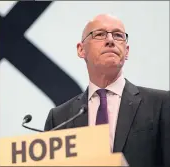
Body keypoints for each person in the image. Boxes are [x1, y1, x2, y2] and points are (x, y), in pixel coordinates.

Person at [44, 14, 170, 167]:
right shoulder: (59, 118)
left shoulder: (161, 104)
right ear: (81, 49)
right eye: (100, 34)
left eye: (118, 35)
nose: (110, 40)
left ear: (127, 51)